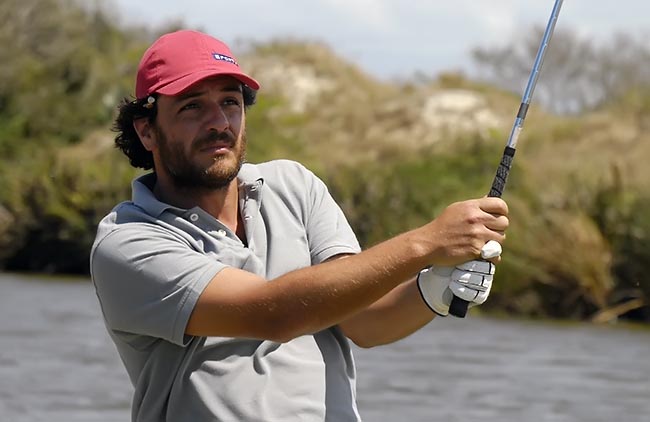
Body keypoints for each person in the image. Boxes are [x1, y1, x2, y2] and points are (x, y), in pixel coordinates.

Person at [90, 29, 509, 422]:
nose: (218, 122)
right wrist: (427, 243)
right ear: (146, 131)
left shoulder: (294, 185)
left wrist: (433, 289)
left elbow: (363, 320)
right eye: (192, 106)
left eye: (230, 102)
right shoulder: (128, 242)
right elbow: (272, 314)